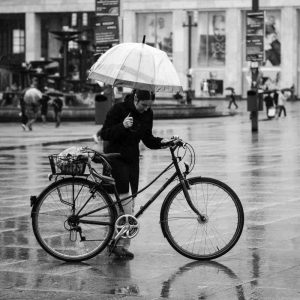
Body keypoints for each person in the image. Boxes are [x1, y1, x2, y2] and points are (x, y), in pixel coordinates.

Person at [99, 89, 171, 259]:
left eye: (149, 106)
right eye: (143, 105)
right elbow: (105, 134)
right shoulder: (118, 109)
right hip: (115, 158)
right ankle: (118, 245)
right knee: (125, 203)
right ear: (136, 98)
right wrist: (122, 126)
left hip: (132, 161)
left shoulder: (148, 113)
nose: (146, 109)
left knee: (128, 204)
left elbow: (148, 139)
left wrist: (164, 142)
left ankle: (120, 244)